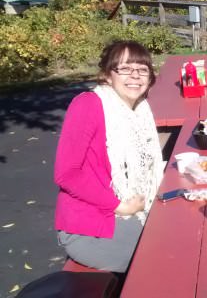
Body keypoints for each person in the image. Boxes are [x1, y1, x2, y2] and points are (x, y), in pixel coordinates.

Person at [54, 41, 163, 272]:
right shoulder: (88, 105)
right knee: (160, 259)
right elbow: (67, 174)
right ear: (107, 75)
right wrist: (118, 206)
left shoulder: (140, 111)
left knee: (180, 234)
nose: (135, 76)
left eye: (142, 69)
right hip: (92, 226)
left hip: (133, 210)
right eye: (124, 68)